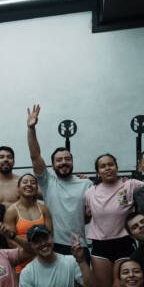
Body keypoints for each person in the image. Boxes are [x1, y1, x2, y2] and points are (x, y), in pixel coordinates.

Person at [26, 104, 92, 256]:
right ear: (52, 165)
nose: (64, 162)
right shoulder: (48, 182)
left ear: (72, 162)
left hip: (80, 245)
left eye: (67, 159)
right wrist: (31, 128)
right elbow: (35, 156)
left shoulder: (86, 184)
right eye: (59, 160)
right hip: (54, 245)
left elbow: (88, 217)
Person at [84, 154, 144, 287]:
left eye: (110, 164)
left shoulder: (130, 185)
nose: (107, 168)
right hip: (100, 246)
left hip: (124, 244)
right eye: (103, 166)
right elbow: (86, 216)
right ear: (98, 172)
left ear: (117, 167)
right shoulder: (90, 193)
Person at [3, 173, 52, 272]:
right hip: (21, 262)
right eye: (25, 182)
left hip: (43, 258)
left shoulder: (43, 208)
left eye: (33, 183)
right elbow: (10, 241)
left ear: (36, 188)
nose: (29, 184)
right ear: (18, 188)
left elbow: (49, 235)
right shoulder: (11, 211)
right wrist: (30, 252)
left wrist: (41, 252)